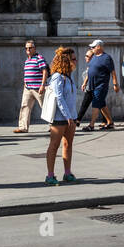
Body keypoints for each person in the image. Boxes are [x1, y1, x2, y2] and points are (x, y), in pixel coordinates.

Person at [41, 47, 78, 184]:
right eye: (73, 59)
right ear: (66, 60)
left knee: (68, 144)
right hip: (59, 117)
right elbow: (59, 98)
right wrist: (68, 116)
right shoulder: (57, 77)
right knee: (54, 145)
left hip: (70, 116)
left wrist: (73, 116)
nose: (76, 61)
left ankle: (67, 173)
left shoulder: (69, 76)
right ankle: (50, 175)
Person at [78, 40, 118, 131]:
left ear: (99, 46)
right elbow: (89, 71)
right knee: (102, 105)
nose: (91, 49)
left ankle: (91, 125)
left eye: (93, 47)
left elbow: (113, 72)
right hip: (92, 85)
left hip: (101, 85)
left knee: (96, 104)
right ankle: (110, 122)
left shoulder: (106, 58)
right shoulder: (94, 57)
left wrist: (115, 84)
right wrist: (85, 82)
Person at [14, 40, 49, 133]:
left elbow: (45, 72)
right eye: (26, 48)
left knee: (45, 107)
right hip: (28, 88)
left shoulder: (39, 58)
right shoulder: (27, 60)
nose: (28, 49)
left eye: (30, 48)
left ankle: (53, 125)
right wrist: (25, 82)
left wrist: (42, 85)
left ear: (35, 48)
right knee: (25, 107)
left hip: (38, 88)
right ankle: (23, 127)